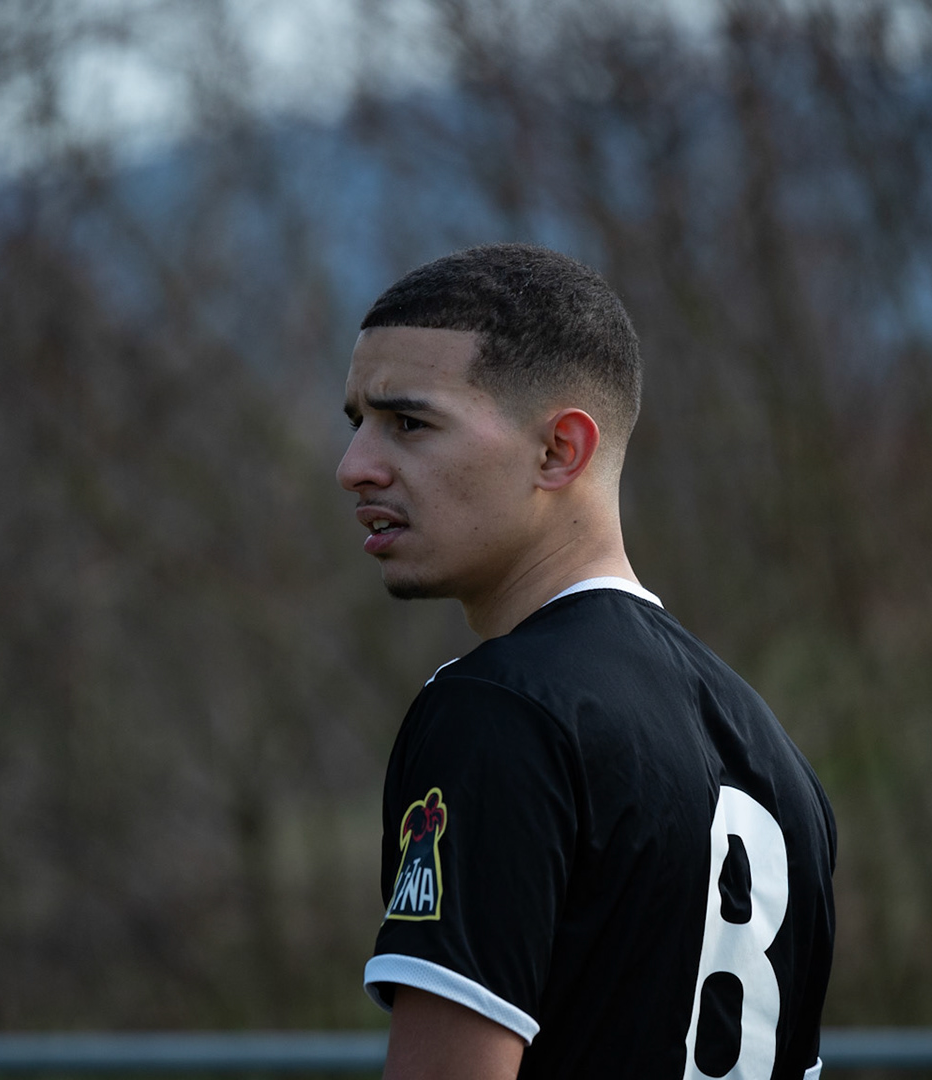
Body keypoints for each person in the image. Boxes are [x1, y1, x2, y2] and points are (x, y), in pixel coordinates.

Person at [337, 243, 836, 1080]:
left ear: (558, 451)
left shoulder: (501, 712)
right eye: (356, 423)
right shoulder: (777, 760)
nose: (355, 468)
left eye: (409, 423)